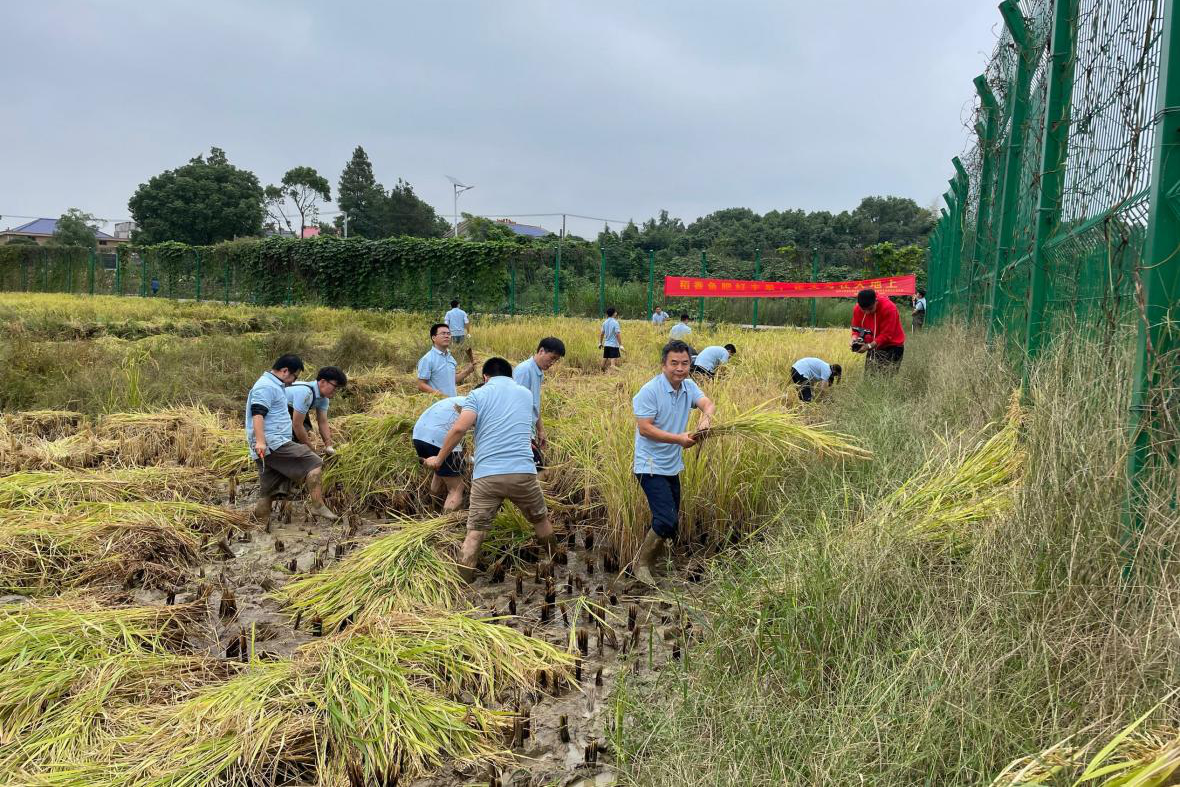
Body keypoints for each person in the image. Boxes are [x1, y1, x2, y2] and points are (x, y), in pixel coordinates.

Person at [425, 357, 556, 581]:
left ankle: (464, 583)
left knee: (475, 534)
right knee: (540, 521)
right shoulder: (525, 394)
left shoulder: (477, 394)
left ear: (485, 377)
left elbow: (459, 429)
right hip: (523, 473)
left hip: (487, 476)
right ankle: (558, 565)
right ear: (510, 376)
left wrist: (438, 459)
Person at [631, 340, 716, 586]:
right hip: (649, 466)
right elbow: (645, 429)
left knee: (669, 520)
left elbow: (707, 404)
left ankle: (653, 564)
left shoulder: (688, 387)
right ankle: (641, 565)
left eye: (685, 363)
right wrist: (679, 439)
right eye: (674, 363)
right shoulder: (650, 391)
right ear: (663, 365)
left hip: (671, 466)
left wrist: (705, 419)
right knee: (666, 519)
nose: (680, 368)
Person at [245, 354, 337, 525]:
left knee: (268, 491)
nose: (294, 381)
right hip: (273, 442)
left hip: (270, 443)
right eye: (294, 376)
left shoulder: (275, 385)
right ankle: (318, 505)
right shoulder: (266, 387)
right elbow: (257, 413)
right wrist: (261, 442)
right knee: (314, 462)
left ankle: (257, 525)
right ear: (285, 371)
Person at [513, 337, 566, 469]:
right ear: (541, 351)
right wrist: (524, 436)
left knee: (533, 471)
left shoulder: (537, 371)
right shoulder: (524, 371)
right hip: (519, 433)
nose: (552, 363)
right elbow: (515, 405)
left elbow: (534, 405)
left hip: (527, 431)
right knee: (538, 471)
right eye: (552, 358)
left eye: (556, 360)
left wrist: (540, 430)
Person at [412, 396, 468, 512]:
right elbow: (460, 430)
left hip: (418, 435)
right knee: (456, 489)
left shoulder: (460, 399)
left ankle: (432, 510)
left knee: (439, 474)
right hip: (439, 437)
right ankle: (447, 521)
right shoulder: (477, 404)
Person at [287, 366, 347, 455]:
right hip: (278, 409)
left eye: (338, 388)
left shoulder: (324, 399)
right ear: (323, 382)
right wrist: (312, 450)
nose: (336, 391)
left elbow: (322, 422)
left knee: (305, 428)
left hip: (294, 408)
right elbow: (297, 425)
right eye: (335, 387)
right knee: (290, 437)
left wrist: (328, 445)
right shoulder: (306, 393)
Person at [851, 288, 906, 373]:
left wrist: (868, 346)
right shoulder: (857, 308)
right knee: (869, 376)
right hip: (873, 346)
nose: (867, 312)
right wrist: (854, 339)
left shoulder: (889, 308)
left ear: (876, 301)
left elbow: (886, 335)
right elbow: (856, 328)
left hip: (892, 346)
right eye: (864, 310)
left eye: (870, 309)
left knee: (888, 376)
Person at [417, 323, 475, 397]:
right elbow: (421, 385)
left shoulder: (450, 357)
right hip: (438, 402)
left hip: (452, 401)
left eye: (448, 334)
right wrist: (440, 395)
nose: (447, 336)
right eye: (443, 333)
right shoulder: (427, 359)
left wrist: (468, 371)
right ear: (434, 338)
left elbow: (451, 380)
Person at [599, 307, 623, 372]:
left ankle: (601, 372)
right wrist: (620, 345)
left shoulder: (604, 322)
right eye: (615, 312)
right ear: (614, 313)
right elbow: (617, 334)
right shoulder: (615, 322)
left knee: (604, 361)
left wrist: (600, 343)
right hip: (613, 345)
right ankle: (623, 372)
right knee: (612, 365)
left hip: (606, 344)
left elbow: (602, 333)